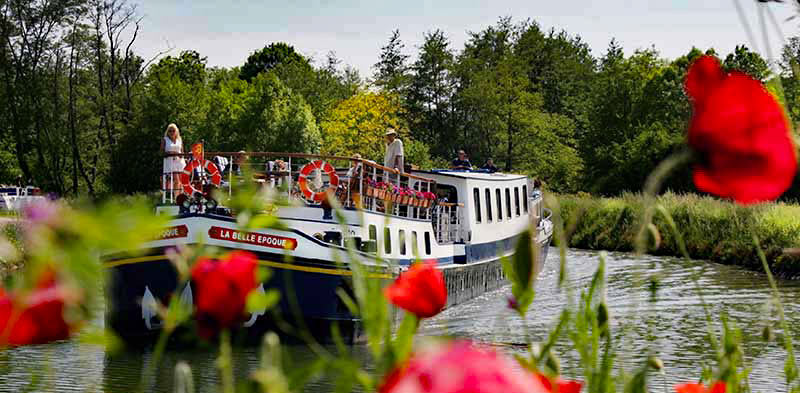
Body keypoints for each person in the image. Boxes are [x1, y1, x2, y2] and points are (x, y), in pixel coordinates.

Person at [160, 124, 185, 192]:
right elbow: (161, 152)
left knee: (182, 181)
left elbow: (182, 152)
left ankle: (181, 197)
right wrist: (169, 153)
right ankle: (177, 198)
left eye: (173, 131)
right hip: (170, 162)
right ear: (167, 132)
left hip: (180, 162)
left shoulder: (179, 139)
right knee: (176, 180)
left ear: (176, 131)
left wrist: (179, 154)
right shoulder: (164, 140)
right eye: (170, 131)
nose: (171, 132)